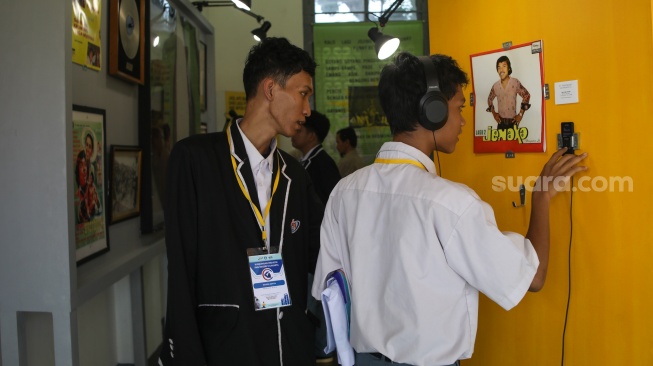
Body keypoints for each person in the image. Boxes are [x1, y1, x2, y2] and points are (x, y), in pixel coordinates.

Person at [311, 52, 588, 366]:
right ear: (432, 111)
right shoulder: (451, 204)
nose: (463, 120)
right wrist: (540, 197)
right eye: (458, 107)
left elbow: (328, 292)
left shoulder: (344, 192)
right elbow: (533, 277)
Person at [159, 37, 323, 366]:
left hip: (288, 347)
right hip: (225, 348)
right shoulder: (196, 161)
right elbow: (180, 272)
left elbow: (319, 254)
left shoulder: (295, 175)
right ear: (271, 89)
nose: (307, 110)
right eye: (303, 93)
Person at [291, 110, 341, 205]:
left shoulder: (323, 164)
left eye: (299, 131)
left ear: (311, 136)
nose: (294, 133)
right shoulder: (309, 160)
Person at [486, 55, 531, 130]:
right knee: (500, 142)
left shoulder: (515, 82)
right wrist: (494, 114)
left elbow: (526, 95)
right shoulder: (495, 86)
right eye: (499, 67)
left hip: (512, 124)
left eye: (504, 66)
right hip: (500, 124)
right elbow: (489, 99)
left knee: (513, 142)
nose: (501, 70)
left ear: (509, 68)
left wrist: (520, 114)